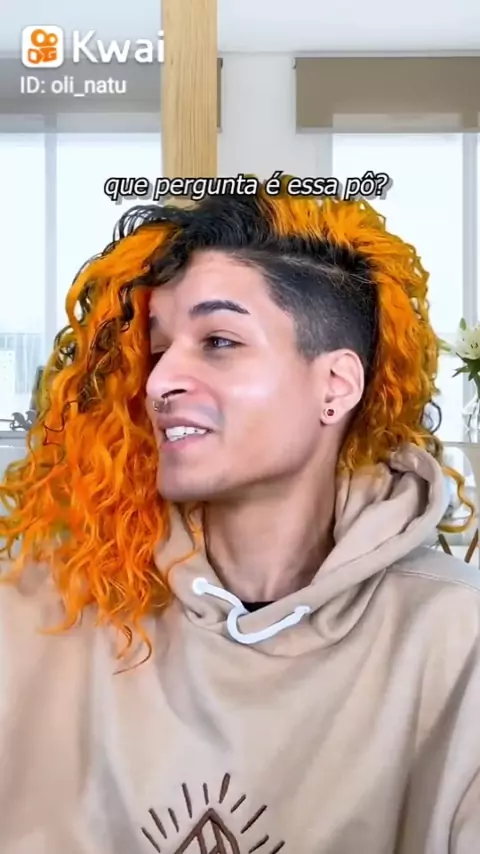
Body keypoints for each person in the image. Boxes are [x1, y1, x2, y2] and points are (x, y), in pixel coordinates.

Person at [0, 179, 479, 854]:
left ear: (336, 385)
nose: (159, 382)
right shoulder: (39, 609)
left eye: (219, 341)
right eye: (159, 348)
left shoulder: (457, 639)